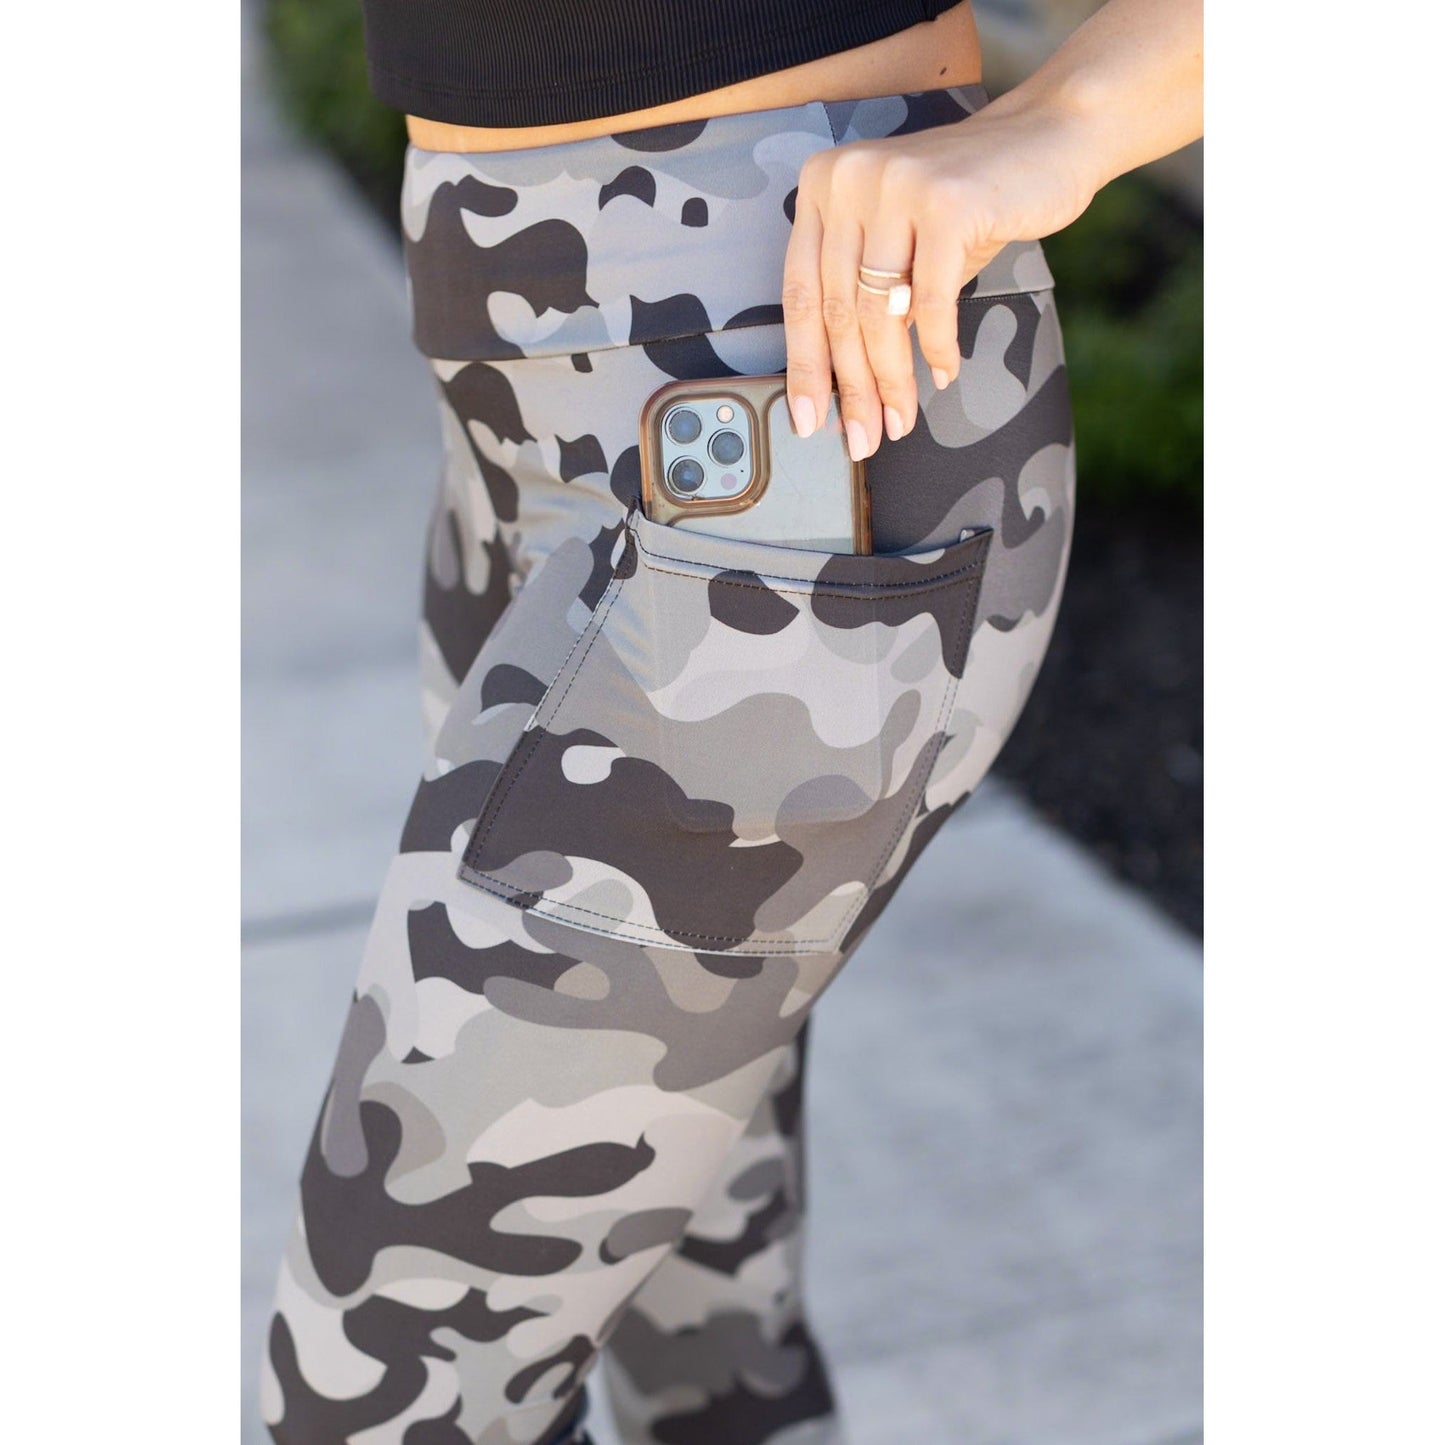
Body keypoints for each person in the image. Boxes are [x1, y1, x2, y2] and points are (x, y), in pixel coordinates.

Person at [259, 1, 1202, 1441]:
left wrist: (1061, 126)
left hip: (798, 403)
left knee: (385, 1399)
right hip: (515, 410)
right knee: (704, 1339)